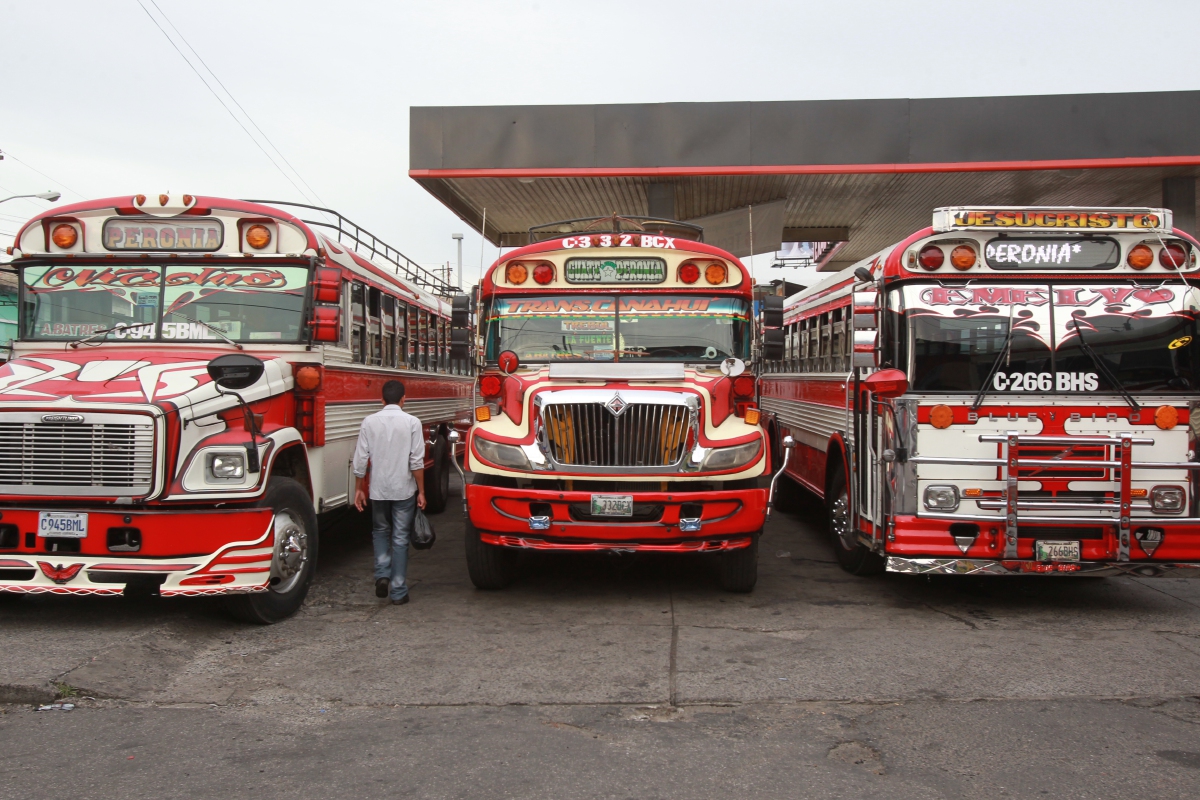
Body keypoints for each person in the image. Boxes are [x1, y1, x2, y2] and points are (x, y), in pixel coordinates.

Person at [352, 379, 426, 605]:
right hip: (403, 490)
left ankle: (382, 574)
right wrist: (421, 491)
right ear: (404, 400)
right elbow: (416, 462)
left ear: (382, 400)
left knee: (380, 532)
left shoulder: (369, 422)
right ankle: (398, 591)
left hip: (378, 489)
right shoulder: (413, 422)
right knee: (400, 538)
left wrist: (359, 489)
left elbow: (361, 458)